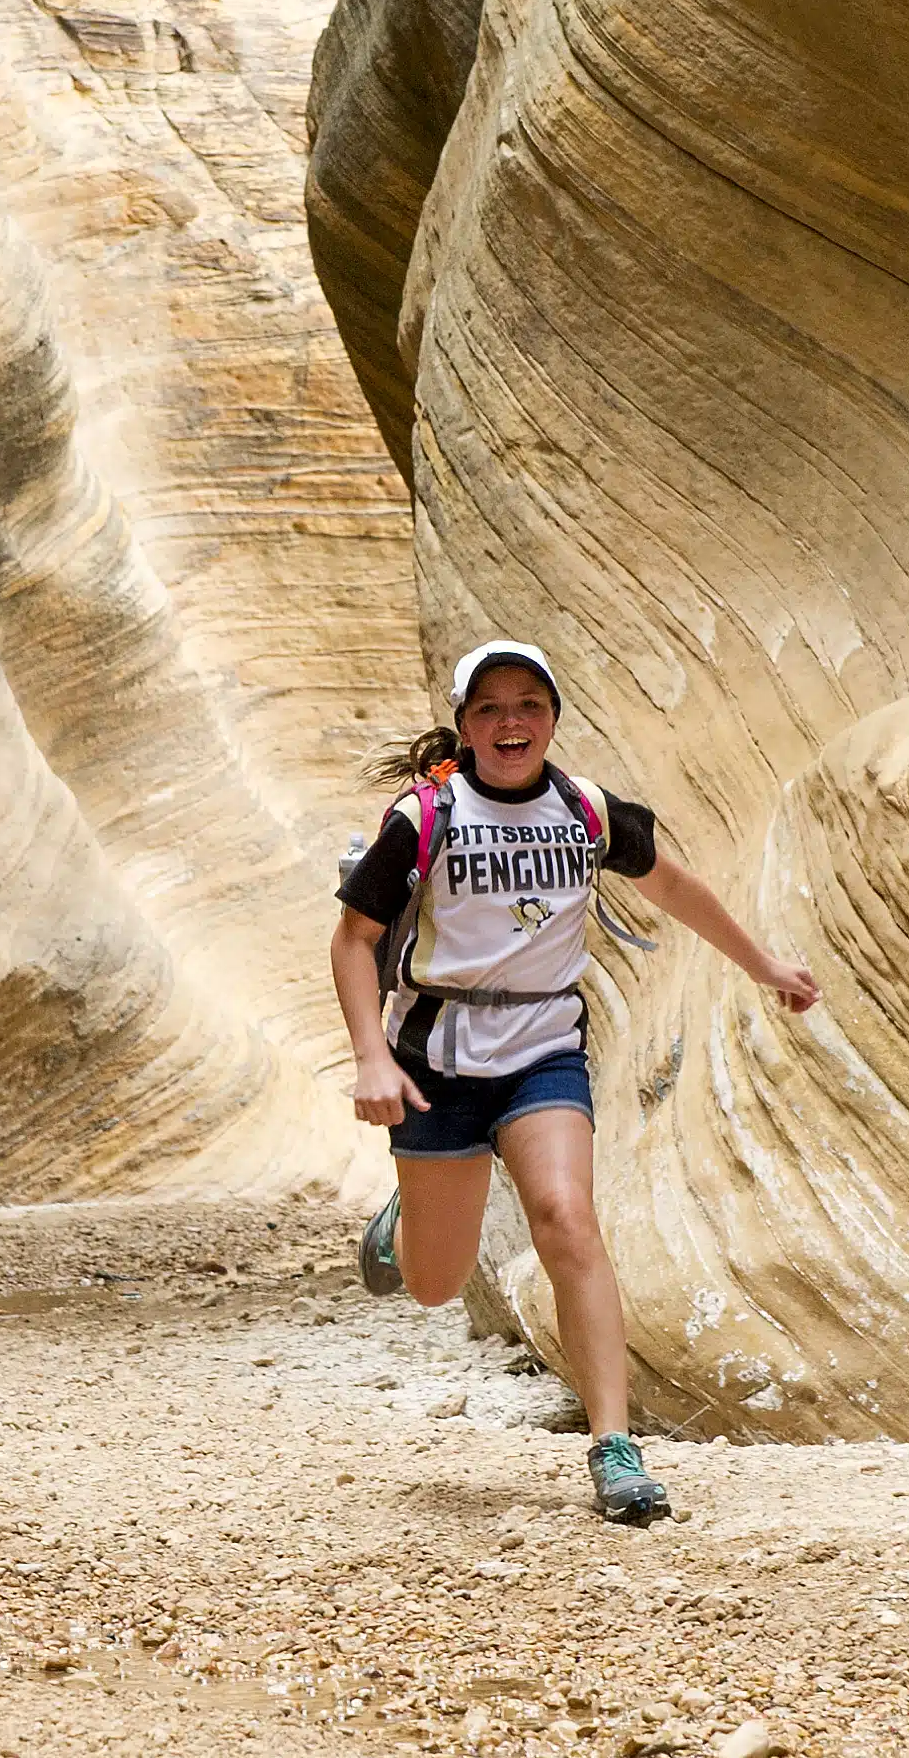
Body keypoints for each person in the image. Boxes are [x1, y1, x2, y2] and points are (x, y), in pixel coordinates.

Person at [330, 639, 822, 1523]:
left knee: (567, 1216)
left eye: (529, 705)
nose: (510, 723)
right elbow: (354, 939)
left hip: (543, 1044)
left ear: (553, 717)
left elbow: (676, 889)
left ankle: (615, 1449)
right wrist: (371, 1056)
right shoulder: (425, 816)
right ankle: (408, 1215)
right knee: (436, 1283)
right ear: (464, 725)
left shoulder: (586, 810)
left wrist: (765, 965)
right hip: (436, 1051)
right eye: (489, 709)